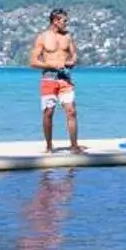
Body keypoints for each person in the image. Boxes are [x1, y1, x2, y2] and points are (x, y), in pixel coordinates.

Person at [29, 8, 84, 153]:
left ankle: (74, 146)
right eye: (64, 21)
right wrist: (50, 65)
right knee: (48, 112)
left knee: (71, 111)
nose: (66, 24)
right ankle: (48, 146)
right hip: (49, 78)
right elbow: (33, 62)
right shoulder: (43, 37)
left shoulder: (67, 37)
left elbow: (74, 56)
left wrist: (71, 62)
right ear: (55, 21)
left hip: (65, 78)